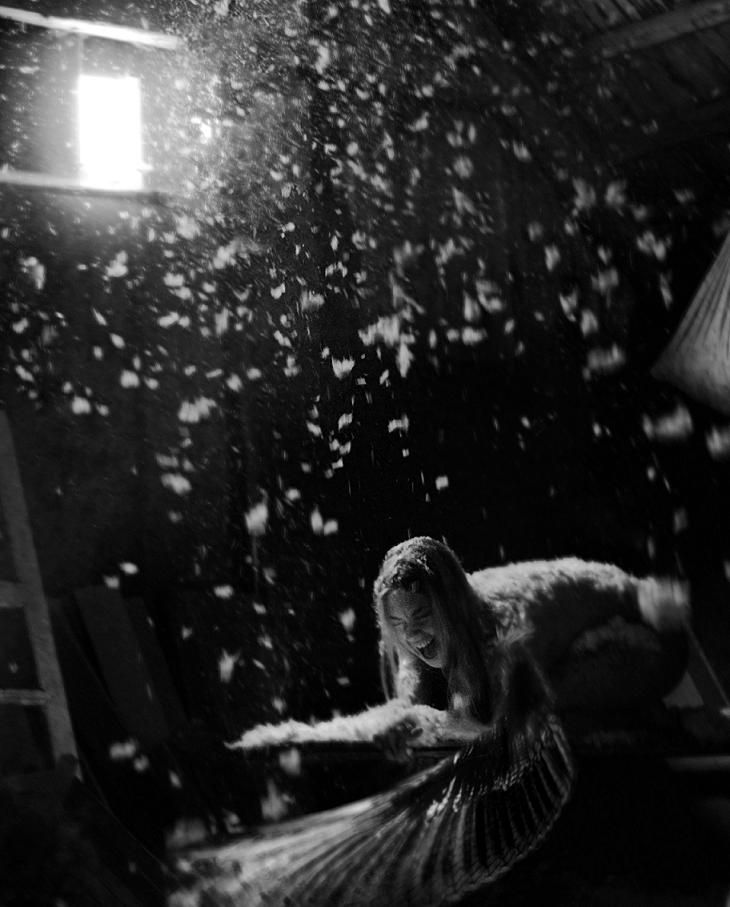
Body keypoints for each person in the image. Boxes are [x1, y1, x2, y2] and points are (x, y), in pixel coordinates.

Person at [373, 536, 690, 732]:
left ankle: (635, 722)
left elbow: (491, 721)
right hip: (590, 616)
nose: (410, 632)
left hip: (656, 637)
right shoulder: (421, 623)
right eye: (398, 622)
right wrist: (405, 712)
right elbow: (410, 673)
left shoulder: (507, 627)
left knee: (538, 710)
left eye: (421, 616)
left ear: (448, 606)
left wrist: (430, 725)